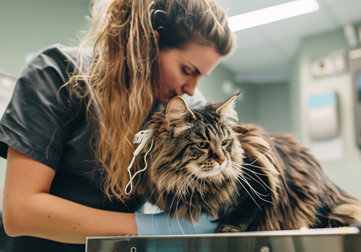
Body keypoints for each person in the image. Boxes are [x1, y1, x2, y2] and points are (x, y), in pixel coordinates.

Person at [0, 0, 234, 251]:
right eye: (187, 70)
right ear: (151, 44)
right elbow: (20, 211)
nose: (191, 89)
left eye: (201, 76)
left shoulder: (184, 108)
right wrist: (151, 228)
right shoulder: (57, 73)